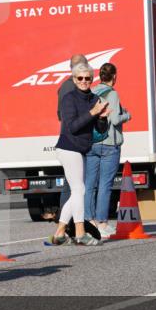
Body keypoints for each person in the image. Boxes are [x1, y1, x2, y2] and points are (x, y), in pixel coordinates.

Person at [50, 61, 109, 246]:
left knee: (77, 191)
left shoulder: (94, 98)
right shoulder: (69, 98)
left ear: (92, 79)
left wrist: (102, 118)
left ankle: (60, 231)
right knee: (80, 190)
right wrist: (93, 112)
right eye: (80, 78)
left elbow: (99, 129)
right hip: (68, 147)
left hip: (82, 149)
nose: (84, 81)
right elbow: (73, 127)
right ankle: (80, 232)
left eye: (88, 78)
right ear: (74, 80)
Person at [84, 63, 130, 237]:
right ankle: (102, 223)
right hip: (109, 144)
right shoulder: (113, 93)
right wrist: (127, 115)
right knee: (105, 185)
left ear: (99, 76)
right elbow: (116, 119)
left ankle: (88, 222)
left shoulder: (92, 92)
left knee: (89, 185)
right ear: (115, 77)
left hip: (92, 143)